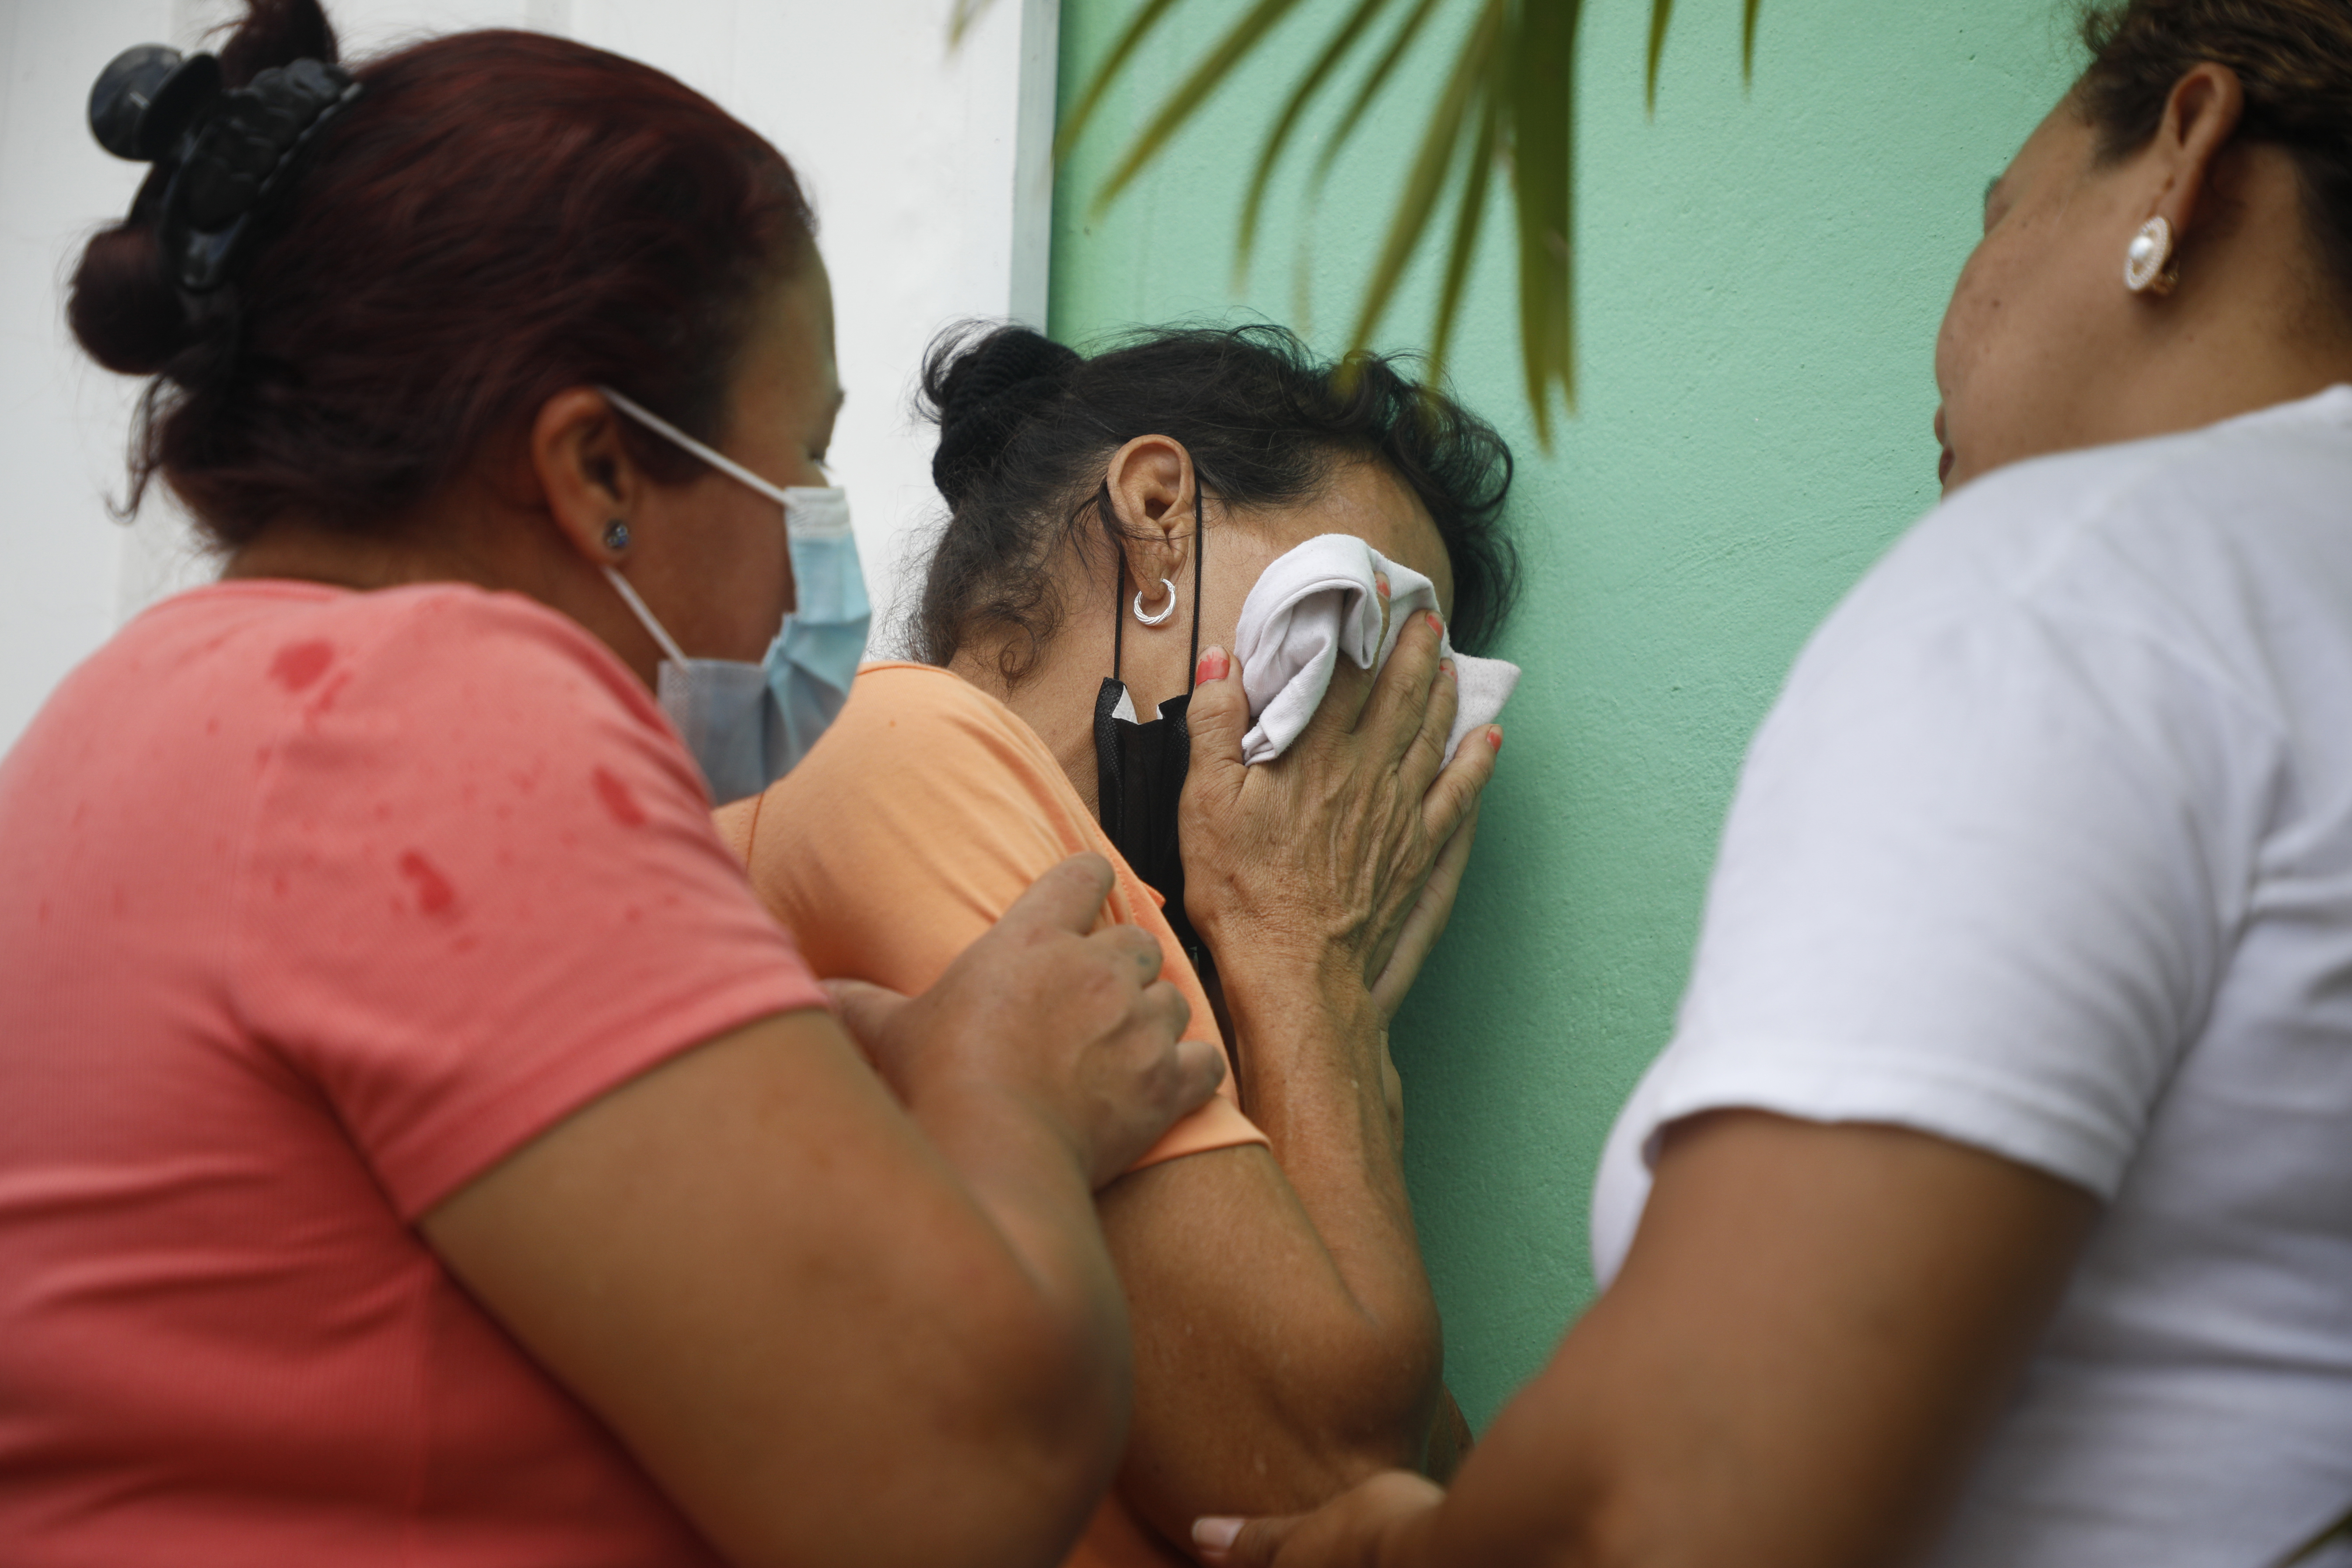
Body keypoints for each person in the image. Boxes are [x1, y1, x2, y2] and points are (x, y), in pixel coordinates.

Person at [0, 5, 1232, 1563]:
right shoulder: (432, 718)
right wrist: (1013, 1093)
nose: (815, 534)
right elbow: (951, 1477)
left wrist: (889, 1058)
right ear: (597, 473)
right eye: (798, 461)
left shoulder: (134, 715)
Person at [1198, 2, 2352, 1565]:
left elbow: (1689, 1501)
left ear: (2186, 157)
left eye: (1995, 218)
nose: (1944, 329)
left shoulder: (2077, 583)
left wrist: (1391, 1544)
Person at [712, 324, 1518, 1565]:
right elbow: (1326, 1465)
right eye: (1350, 626)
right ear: (1156, 513)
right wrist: (1306, 966)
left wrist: (1308, 1016)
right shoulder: (902, 741)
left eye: (1417, 707)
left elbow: (1436, 1513)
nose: (1359, 739)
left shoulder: (1162, 999)